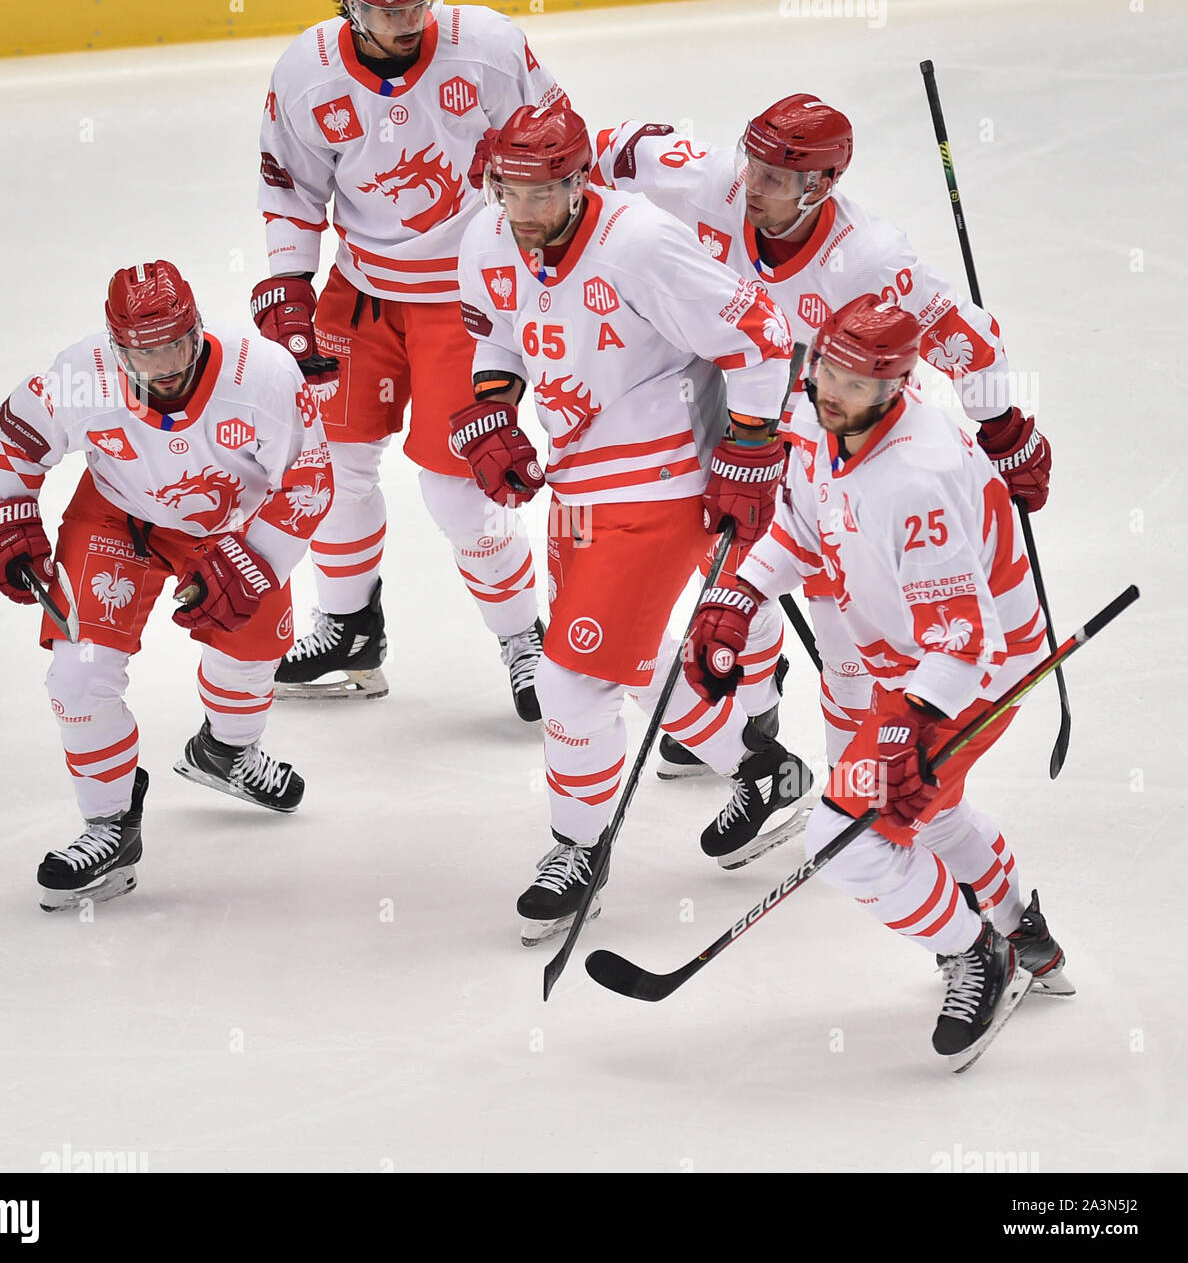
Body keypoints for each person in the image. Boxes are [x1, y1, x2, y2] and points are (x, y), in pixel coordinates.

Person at [591, 95, 1052, 779]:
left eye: (775, 178)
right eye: (752, 165)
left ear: (821, 186)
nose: (752, 185)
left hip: (834, 406)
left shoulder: (867, 258)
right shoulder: (716, 181)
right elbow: (618, 147)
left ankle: (850, 775)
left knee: (837, 613)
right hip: (733, 376)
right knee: (719, 538)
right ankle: (755, 706)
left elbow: (967, 339)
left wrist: (1005, 428)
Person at [451, 102, 814, 945]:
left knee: (571, 682)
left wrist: (752, 446)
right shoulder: (484, 240)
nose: (529, 210)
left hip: (663, 475)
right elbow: (500, 341)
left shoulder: (640, 243)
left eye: (549, 191)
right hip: (580, 478)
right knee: (634, 663)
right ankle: (766, 774)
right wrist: (494, 411)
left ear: (582, 181)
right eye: (514, 190)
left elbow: (761, 336)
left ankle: (578, 851)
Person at [685, 295, 1071, 1070]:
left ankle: (976, 953)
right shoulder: (825, 423)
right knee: (925, 815)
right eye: (826, 368)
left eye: (855, 383)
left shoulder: (914, 481)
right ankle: (1019, 925)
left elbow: (962, 639)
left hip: (979, 673)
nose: (832, 389)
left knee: (847, 842)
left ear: (896, 387)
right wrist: (741, 593)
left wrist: (906, 727)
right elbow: (800, 526)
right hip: (925, 663)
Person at [253, 0, 568, 717]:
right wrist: (289, 285)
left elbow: (566, 150)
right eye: (386, 4)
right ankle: (351, 625)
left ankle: (524, 638)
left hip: (468, 304)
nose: (408, 17)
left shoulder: (489, 48)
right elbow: (291, 188)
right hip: (360, 295)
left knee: (458, 488)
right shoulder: (308, 71)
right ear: (349, 3)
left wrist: (551, 272)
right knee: (332, 467)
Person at [0, 260, 332, 911]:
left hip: (230, 532)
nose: (163, 364)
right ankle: (109, 824)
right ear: (116, 346)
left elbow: (311, 480)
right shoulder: (82, 375)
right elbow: (19, 431)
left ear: (196, 329)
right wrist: (9, 513)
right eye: (144, 350)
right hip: (117, 518)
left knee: (255, 654)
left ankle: (227, 752)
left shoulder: (265, 376)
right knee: (77, 677)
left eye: (174, 343)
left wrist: (254, 560)